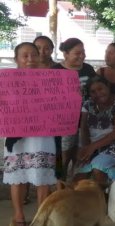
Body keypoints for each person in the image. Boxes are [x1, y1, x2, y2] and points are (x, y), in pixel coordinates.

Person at [3, 42, 57, 226]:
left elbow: (59, 105)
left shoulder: (51, 80)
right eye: (25, 56)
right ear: (16, 59)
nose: (30, 59)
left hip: (43, 135)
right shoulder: (5, 80)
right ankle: (19, 216)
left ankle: (40, 216)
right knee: (16, 176)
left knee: (42, 175)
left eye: (33, 55)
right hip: (16, 136)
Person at [52, 37, 97, 181]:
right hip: (62, 123)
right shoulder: (55, 70)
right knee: (62, 157)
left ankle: (76, 189)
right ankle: (60, 186)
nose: (82, 56)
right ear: (65, 54)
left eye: (83, 52)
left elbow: (95, 90)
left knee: (81, 156)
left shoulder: (88, 69)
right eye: (77, 53)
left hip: (85, 121)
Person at [75, 76, 115, 189]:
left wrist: (91, 147)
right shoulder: (88, 104)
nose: (98, 93)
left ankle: (103, 200)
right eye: (93, 91)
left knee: (98, 170)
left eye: (100, 89)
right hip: (93, 147)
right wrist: (86, 149)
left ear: (108, 87)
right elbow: (83, 129)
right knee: (77, 179)